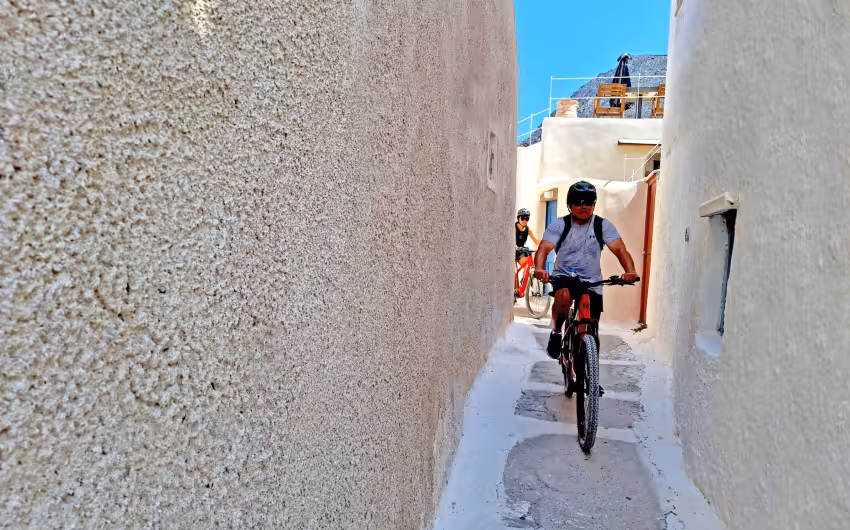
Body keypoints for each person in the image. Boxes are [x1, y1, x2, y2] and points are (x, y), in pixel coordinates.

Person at [533, 181, 638, 359]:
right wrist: (539, 268)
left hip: (592, 280)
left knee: (592, 326)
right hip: (564, 276)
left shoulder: (602, 225)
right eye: (578, 201)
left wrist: (630, 271)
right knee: (564, 296)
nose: (583, 206)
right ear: (570, 205)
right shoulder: (560, 225)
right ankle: (557, 332)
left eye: (588, 201)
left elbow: (620, 249)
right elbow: (543, 248)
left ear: (594, 204)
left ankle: (592, 381)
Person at [515, 208, 540, 292]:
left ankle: (524, 281)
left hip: (521, 251)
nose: (524, 220)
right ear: (518, 218)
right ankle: (513, 287)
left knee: (528, 264)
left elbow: (536, 241)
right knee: (513, 272)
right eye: (522, 218)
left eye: (527, 219)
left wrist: (543, 246)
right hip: (512, 251)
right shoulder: (514, 228)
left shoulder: (528, 230)